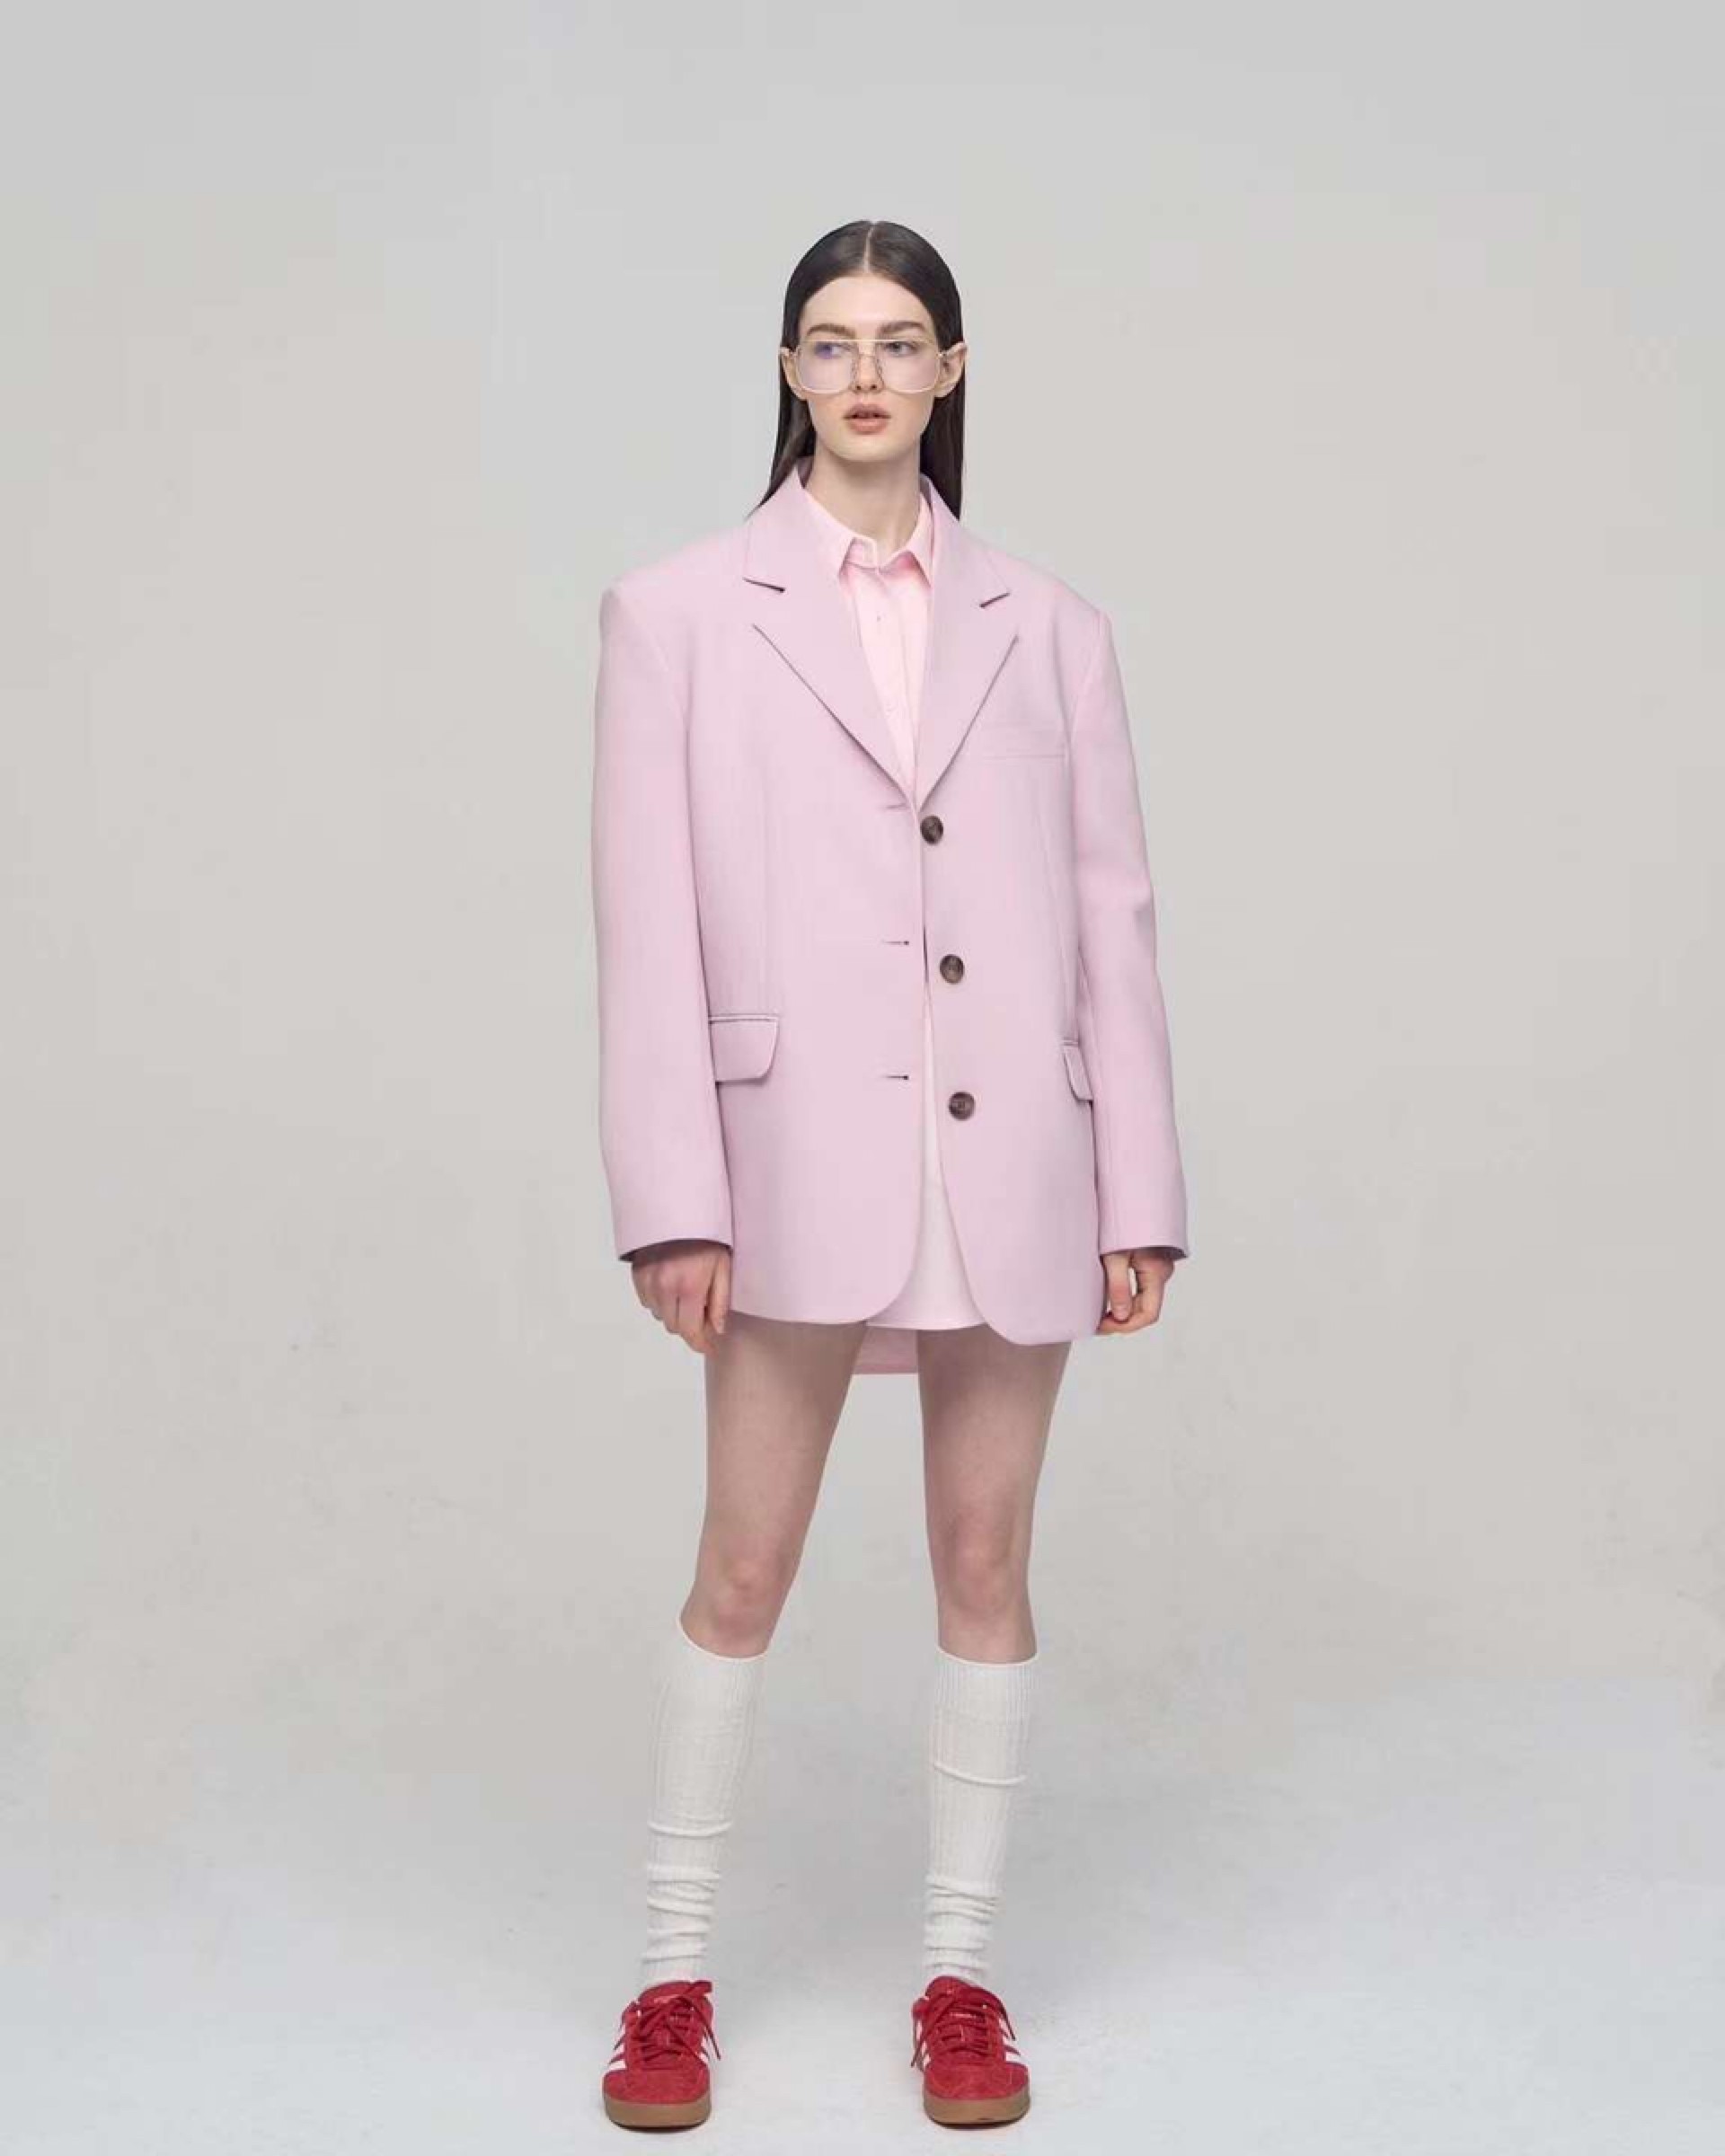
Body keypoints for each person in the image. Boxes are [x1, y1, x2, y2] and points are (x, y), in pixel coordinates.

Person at [589, 218, 1190, 2130]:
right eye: (833, 340)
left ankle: (963, 1984)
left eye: (902, 339)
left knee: (986, 1560)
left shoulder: (1053, 626)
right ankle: (671, 1976)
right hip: (788, 1163)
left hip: (1014, 1159)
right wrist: (675, 1198)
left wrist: (1140, 1191)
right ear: (789, 370)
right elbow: (647, 926)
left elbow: (1113, 914)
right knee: (744, 1562)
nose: (867, 371)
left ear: (950, 371)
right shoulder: (677, 613)